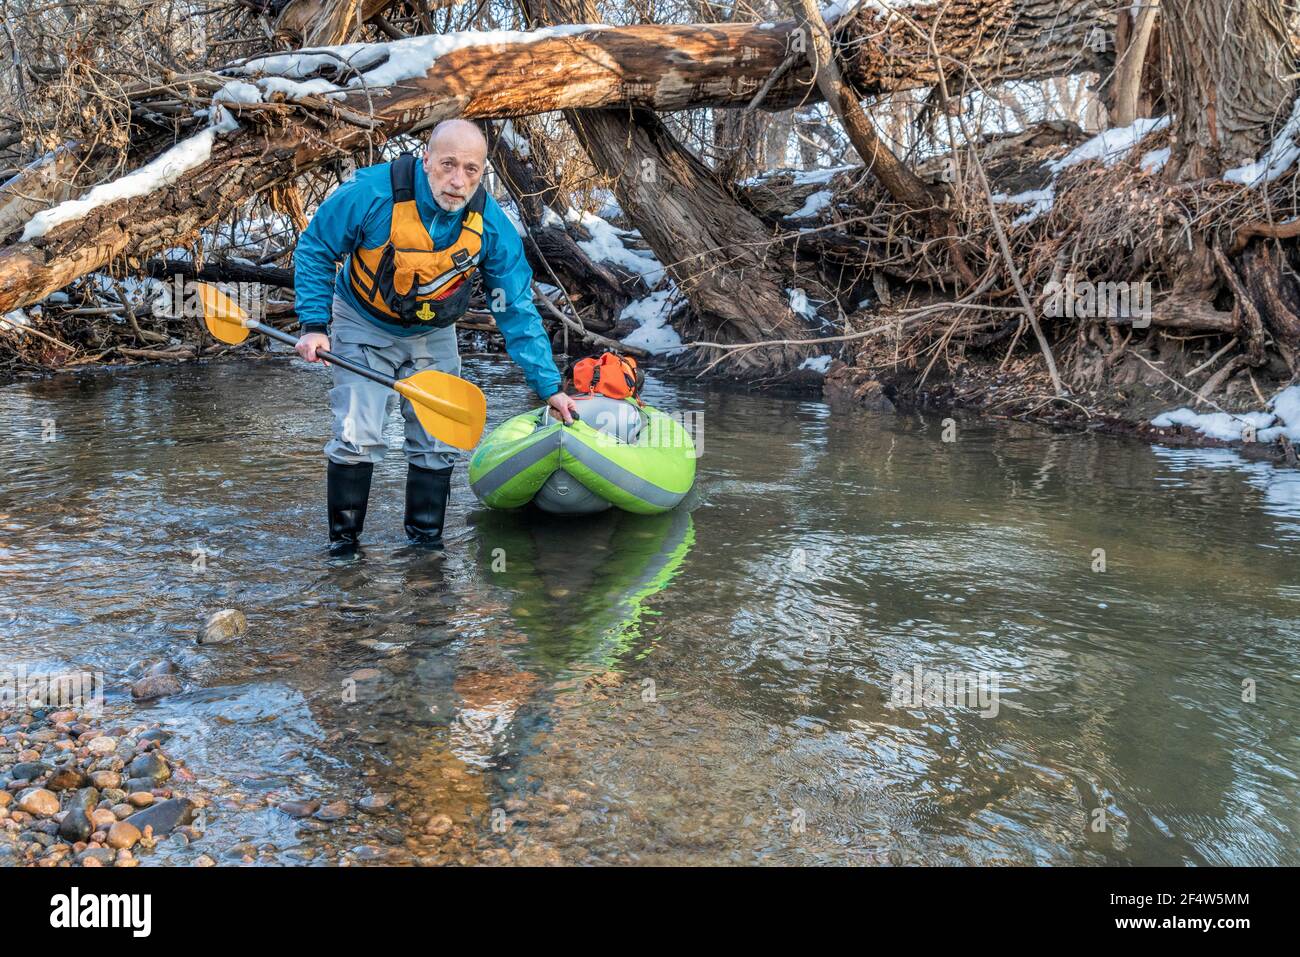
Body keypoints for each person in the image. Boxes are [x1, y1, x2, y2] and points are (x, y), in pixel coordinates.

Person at [293, 119, 579, 555]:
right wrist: (314, 325)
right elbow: (316, 248)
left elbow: (515, 308)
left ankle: (426, 552)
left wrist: (549, 387)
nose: (457, 180)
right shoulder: (372, 193)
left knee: (436, 442)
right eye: (447, 165)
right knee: (358, 432)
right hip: (361, 322)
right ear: (426, 161)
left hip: (433, 332)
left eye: (470, 169)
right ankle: (344, 552)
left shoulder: (491, 225)